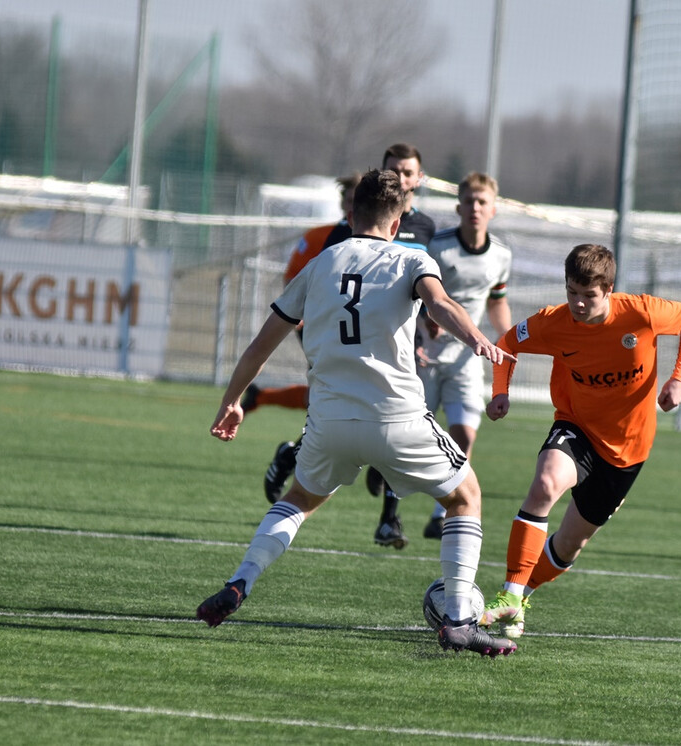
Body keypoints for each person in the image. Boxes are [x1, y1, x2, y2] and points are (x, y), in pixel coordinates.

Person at [195, 168, 516, 657]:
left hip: (329, 422)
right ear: (398, 220)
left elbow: (261, 343)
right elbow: (440, 302)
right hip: (397, 418)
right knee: (465, 497)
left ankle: (240, 582)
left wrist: (231, 402)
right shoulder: (412, 257)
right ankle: (458, 620)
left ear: (349, 215)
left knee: (299, 498)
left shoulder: (322, 263)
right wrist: (476, 339)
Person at [477, 244, 681, 639]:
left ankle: (522, 598)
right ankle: (509, 593)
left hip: (628, 451)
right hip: (576, 427)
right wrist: (501, 391)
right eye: (572, 292)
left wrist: (677, 379)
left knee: (568, 545)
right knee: (546, 484)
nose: (579, 304)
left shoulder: (641, 312)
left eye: (589, 295)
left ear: (609, 289)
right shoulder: (553, 323)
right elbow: (507, 344)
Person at [259, 144, 437, 554]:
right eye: (394, 171)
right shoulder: (344, 236)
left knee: (394, 416)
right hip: (352, 344)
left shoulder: (427, 229)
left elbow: (428, 292)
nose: (401, 178)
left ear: (419, 179)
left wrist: (429, 325)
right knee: (366, 418)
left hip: (402, 346)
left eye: (408, 172)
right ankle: (296, 454)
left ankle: (389, 518)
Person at [415, 171, 512, 540]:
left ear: (494, 209)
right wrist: (427, 316)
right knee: (412, 430)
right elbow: (417, 293)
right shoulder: (437, 246)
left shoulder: (501, 254)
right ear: (458, 207)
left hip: (467, 357)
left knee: (464, 434)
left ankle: (442, 513)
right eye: (469, 201)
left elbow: (497, 301)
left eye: (482, 202)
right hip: (425, 351)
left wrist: (506, 340)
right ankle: (390, 501)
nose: (475, 208)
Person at [241, 172, 361, 424]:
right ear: (342, 203)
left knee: (332, 393)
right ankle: (302, 451)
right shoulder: (320, 237)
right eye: (350, 200)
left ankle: (262, 398)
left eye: (359, 200)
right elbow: (293, 277)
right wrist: (301, 315)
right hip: (320, 325)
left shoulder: (380, 242)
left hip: (360, 327)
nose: (354, 206)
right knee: (329, 391)